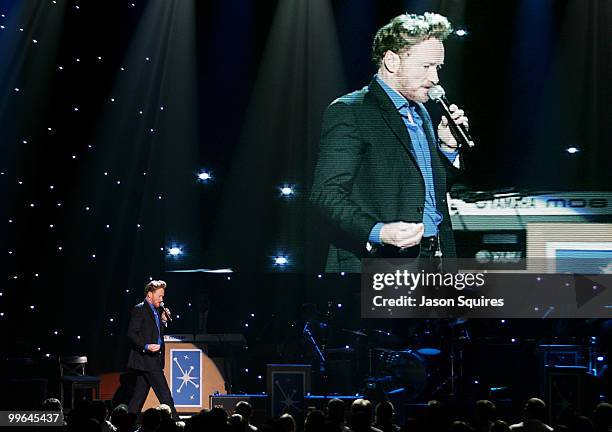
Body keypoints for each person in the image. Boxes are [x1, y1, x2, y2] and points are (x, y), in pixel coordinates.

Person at [310, 12, 469, 272]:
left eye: (437, 67)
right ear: (392, 61)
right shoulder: (352, 111)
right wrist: (378, 232)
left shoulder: (421, 114)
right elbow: (326, 194)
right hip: (380, 263)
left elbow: (427, 191)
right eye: (426, 66)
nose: (435, 79)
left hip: (434, 258)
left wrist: (448, 148)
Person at [127, 280, 178, 420]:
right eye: (159, 296)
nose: (162, 299)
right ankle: (176, 423)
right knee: (166, 396)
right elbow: (132, 333)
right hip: (147, 359)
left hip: (152, 359)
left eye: (163, 296)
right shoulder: (140, 309)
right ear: (150, 294)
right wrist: (146, 346)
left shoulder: (156, 310)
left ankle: (127, 422)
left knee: (139, 396)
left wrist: (163, 321)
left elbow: (153, 331)